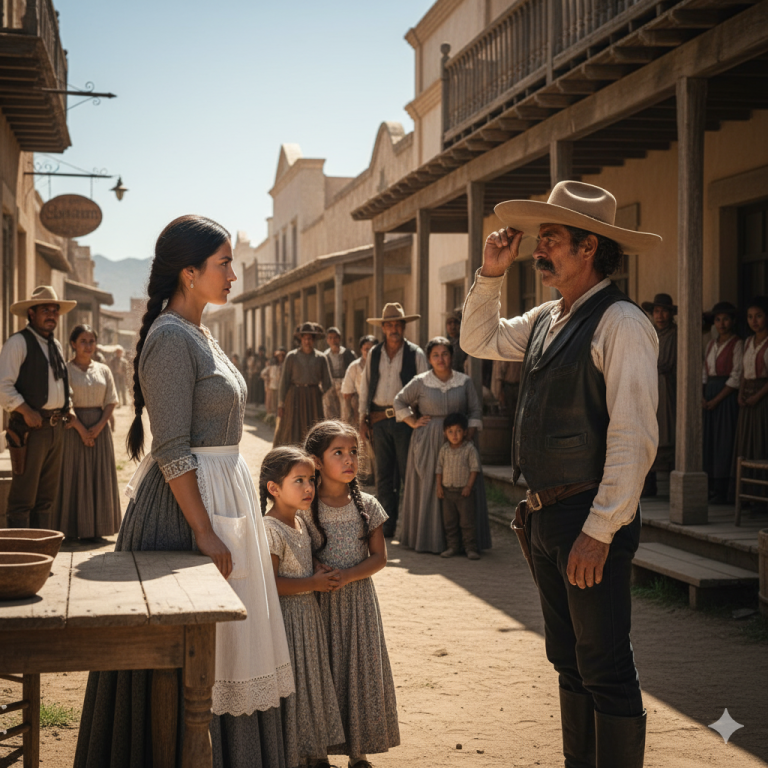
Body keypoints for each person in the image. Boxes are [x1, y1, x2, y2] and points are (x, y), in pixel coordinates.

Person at [74, 215, 293, 768]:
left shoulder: (199, 332)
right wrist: (203, 530)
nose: (234, 275)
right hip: (186, 507)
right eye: (225, 264)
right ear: (189, 273)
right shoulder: (171, 339)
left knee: (228, 642)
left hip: (221, 493)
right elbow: (172, 447)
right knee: (189, 644)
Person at [461, 181, 661, 767]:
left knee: (605, 666)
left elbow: (633, 436)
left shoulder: (621, 322)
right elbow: (479, 339)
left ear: (588, 246)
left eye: (551, 238)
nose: (537, 249)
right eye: (540, 238)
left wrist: (600, 530)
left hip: (588, 516)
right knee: (569, 661)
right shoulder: (548, 318)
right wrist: (490, 274)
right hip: (546, 516)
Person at [301, 420, 400, 767]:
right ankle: (317, 753)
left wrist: (347, 576)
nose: (349, 459)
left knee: (358, 673)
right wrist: (315, 567)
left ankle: (358, 752)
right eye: (338, 452)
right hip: (317, 605)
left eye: (354, 452)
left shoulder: (368, 505)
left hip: (359, 606)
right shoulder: (304, 506)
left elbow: (379, 558)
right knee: (321, 673)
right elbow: (294, 549)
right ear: (316, 461)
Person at [260, 446, 345, 768]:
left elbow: (299, 563)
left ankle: (312, 754)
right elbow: (269, 583)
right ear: (274, 488)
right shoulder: (270, 529)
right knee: (293, 686)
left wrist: (316, 568)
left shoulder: (299, 522)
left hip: (308, 620)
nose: (309, 487)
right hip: (287, 623)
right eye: (299, 481)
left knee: (309, 684)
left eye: (311, 480)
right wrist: (312, 583)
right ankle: (292, 757)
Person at [393, 336, 491, 554]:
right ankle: (431, 540)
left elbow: (475, 410)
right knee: (431, 486)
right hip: (429, 441)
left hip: (459, 442)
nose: (441, 359)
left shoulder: (464, 382)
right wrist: (413, 421)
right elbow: (399, 400)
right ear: (429, 359)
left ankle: (466, 543)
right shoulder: (421, 381)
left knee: (462, 487)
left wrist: (468, 434)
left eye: (445, 354)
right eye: (435, 355)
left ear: (452, 357)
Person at [0, 285, 75, 529]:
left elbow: (62, 383)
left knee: (46, 497)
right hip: (29, 430)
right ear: (31, 313)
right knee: (23, 498)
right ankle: (20, 549)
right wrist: (25, 411)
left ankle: (43, 547)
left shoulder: (56, 345)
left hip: (55, 428)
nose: (51, 315)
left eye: (55, 310)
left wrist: (68, 406)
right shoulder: (18, 342)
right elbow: (3, 386)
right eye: (45, 310)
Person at [359, 303, 428, 538]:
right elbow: (365, 386)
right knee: (383, 475)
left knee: (409, 473)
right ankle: (387, 526)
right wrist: (362, 419)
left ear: (404, 326)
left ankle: (410, 527)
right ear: (383, 328)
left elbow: (424, 388)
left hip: (406, 422)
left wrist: (419, 419)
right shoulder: (374, 353)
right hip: (378, 420)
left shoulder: (416, 354)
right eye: (389, 325)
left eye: (397, 324)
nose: (393, 329)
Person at [55, 325, 121, 540]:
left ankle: (97, 530)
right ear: (73, 344)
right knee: (73, 475)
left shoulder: (103, 370)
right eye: (83, 341)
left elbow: (111, 400)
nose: (88, 345)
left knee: (99, 476)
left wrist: (99, 426)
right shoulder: (64, 370)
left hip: (99, 430)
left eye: (91, 341)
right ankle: (72, 530)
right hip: (72, 429)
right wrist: (81, 430)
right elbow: (64, 402)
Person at [702, 301, 742, 504]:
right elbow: (705, 372)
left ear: (733, 321)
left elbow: (736, 376)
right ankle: (710, 485)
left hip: (725, 397)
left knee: (724, 440)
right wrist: (703, 396)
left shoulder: (737, 344)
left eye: (726, 319)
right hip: (710, 393)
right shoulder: (711, 345)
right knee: (709, 440)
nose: (722, 324)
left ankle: (723, 487)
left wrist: (717, 399)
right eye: (718, 320)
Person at [641, 292, 677, 497]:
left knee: (667, 430)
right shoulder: (648, 333)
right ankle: (649, 483)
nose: (660, 316)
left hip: (666, 387)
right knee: (646, 431)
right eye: (656, 311)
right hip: (647, 386)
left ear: (670, 314)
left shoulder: (676, 335)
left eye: (664, 311)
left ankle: (672, 484)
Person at [274, 323, 332, 447]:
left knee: (314, 429)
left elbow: (328, 383)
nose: (307, 341)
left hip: (313, 398)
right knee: (292, 429)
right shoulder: (291, 357)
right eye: (304, 338)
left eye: (310, 338)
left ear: (314, 340)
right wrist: (281, 404)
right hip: (294, 396)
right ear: (300, 339)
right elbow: (284, 382)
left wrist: (318, 394)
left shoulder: (321, 358)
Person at [732, 296, 768, 500]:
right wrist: (741, 394)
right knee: (747, 444)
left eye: (759, 316)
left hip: (763, 400)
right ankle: (747, 494)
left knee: (761, 442)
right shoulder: (747, 342)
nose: (754, 321)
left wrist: (757, 397)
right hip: (747, 398)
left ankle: (762, 494)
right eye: (750, 316)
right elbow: (745, 373)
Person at [436, 412, 483, 560]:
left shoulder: (469, 449)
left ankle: (470, 548)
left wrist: (468, 486)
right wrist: (439, 487)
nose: (454, 435)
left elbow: (474, 469)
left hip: (464, 493)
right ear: (445, 433)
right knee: (449, 522)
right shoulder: (444, 449)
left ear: (465, 432)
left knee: (467, 522)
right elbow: (439, 469)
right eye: (450, 431)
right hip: (447, 493)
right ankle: (452, 547)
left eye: (458, 431)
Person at [341, 335, 376, 427]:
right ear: (361, 350)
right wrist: (348, 416)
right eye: (366, 349)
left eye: (372, 349)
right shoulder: (354, 367)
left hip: (378, 406)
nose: (369, 352)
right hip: (359, 406)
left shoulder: (382, 365)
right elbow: (347, 392)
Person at [323, 326, 356, 420]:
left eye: (335, 337)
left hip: (344, 384)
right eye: (330, 338)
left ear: (339, 338)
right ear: (327, 340)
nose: (333, 340)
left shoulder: (348, 353)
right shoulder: (325, 355)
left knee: (345, 412)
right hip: (330, 385)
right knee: (330, 411)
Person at [262, 347, 285, 417]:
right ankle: (272, 416)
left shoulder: (284, 365)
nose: (280, 358)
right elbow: (263, 373)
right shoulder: (272, 366)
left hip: (280, 387)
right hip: (272, 386)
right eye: (279, 356)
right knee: (272, 403)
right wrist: (267, 380)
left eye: (281, 356)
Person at [445, 308, 468, 373]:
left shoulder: (466, 343)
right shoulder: (447, 344)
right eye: (449, 323)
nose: (453, 327)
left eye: (456, 323)